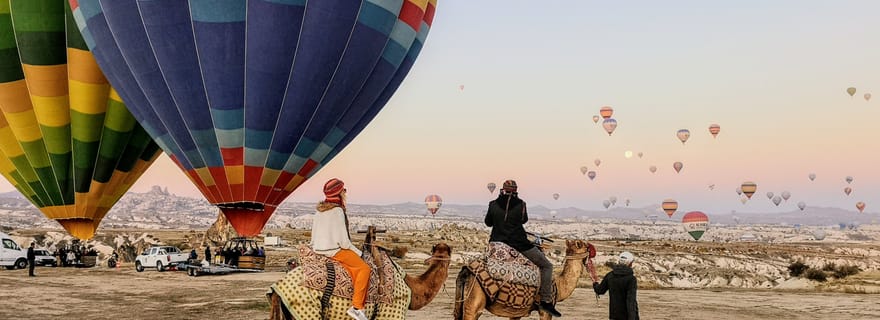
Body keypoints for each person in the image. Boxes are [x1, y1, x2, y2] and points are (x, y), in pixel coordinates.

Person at [484, 180, 561, 317]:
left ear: (502, 190)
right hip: (518, 244)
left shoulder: (492, 204)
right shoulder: (521, 205)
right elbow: (524, 220)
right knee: (547, 266)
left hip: (496, 244)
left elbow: (488, 223)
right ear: (515, 191)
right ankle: (546, 301)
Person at [310, 178, 369, 320]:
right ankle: (356, 307)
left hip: (319, 250)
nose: (345, 193)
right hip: (334, 251)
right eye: (344, 190)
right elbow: (344, 242)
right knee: (364, 269)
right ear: (339, 193)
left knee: (352, 267)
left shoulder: (319, 211)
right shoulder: (337, 211)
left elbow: (313, 238)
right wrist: (360, 253)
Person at [593, 251, 639, 320]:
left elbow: (600, 290)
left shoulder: (610, 275)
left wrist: (595, 284)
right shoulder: (631, 279)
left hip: (614, 315)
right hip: (627, 316)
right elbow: (631, 302)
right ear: (630, 263)